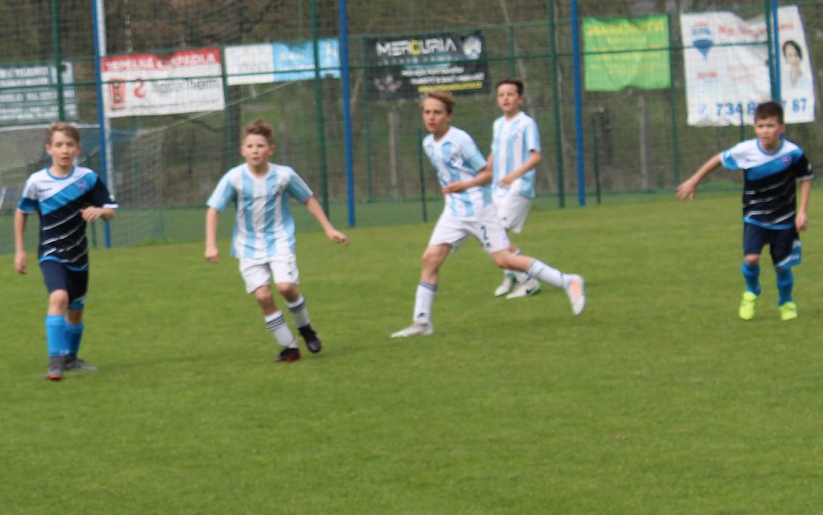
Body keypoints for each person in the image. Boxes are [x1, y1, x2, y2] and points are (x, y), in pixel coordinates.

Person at [393, 91, 585, 338]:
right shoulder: (428, 143)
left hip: (479, 210)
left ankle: (567, 280)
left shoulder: (460, 139)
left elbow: (487, 174)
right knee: (430, 259)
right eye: (427, 112)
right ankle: (422, 322)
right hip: (453, 212)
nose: (431, 117)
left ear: (449, 116)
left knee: (504, 260)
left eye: (437, 112)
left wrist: (464, 185)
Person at [203, 121, 348, 362]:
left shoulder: (284, 175)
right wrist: (211, 244)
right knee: (263, 297)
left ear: (271, 149)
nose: (255, 150)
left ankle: (306, 329)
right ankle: (289, 347)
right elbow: (213, 209)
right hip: (248, 246)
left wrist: (329, 228)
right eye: (250, 146)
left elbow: (308, 199)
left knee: (285, 287)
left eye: (260, 146)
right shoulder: (234, 178)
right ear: (242, 150)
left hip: (280, 241)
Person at [676, 99, 813, 321]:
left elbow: (806, 178)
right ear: (755, 128)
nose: (765, 131)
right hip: (755, 217)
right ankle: (752, 291)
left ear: (781, 128)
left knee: (782, 267)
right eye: (760, 126)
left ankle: (786, 302)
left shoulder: (794, 153)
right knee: (751, 259)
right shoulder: (746, 150)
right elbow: (718, 159)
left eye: (770, 126)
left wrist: (802, 212)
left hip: (784, 219)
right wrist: (694, 180)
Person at [14, 121, 117, 381]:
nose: (65, 150)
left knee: (76, 309)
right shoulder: (37, 181)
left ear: (78, 149)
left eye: (70, 145)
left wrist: (99, 211)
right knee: (58, 297)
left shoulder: (87, 179)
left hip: (79, 254)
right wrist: (20, 250)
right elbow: (22, 212)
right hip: (50, 252)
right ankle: (55, 363)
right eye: (59, 145)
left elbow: (111, 212)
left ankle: (71, 359)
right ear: (49, 148)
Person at [489, 79, 546, 298]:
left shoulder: (526, 123)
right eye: (501, 95)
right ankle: (511, 274)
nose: (505, 98)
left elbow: (536, 156)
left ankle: (528, 281)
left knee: (498, 235)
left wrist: (514, 175)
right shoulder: (497, 124)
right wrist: (481, 174)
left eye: (510, 94)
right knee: (489, 234)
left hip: (518, 187)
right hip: (497, 188)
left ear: (520, 99)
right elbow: (494, 154)